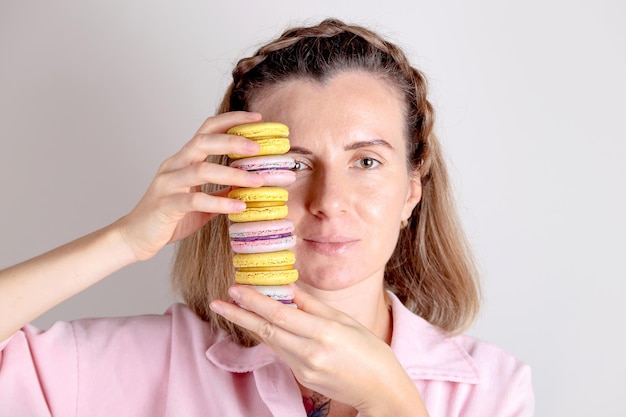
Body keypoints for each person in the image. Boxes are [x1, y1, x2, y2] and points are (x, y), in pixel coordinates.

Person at [0, 18, 534, 417]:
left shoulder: (490, 388)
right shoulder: (153, 361)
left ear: (411, 192)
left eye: (366, 161)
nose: (328, 199)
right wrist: (123, 240)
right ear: (241, 182)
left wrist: (390, 399)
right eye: (294, 164)